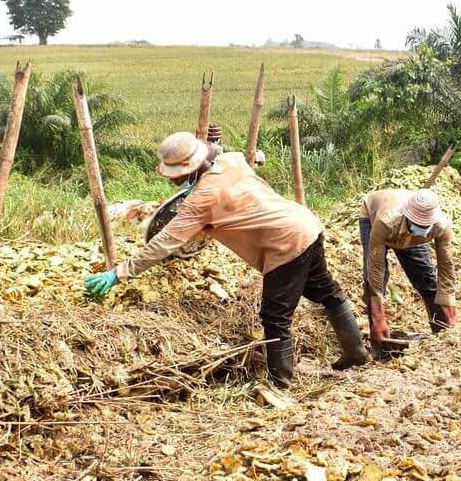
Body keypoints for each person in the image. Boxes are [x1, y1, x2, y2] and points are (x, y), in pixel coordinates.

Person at [85, 132, 367, 386]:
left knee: (274, 315)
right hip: (306, 224)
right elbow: (213, 150)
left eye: (172, 173)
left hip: (285, 243)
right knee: (325, 290)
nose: (170, 178)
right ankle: (356, 352)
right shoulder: (231, 161)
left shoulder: (201, 201)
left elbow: (163, 243)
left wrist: (118, 273)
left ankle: (280, 383)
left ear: (187, 167)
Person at [359, 187, 457, 353]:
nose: (421, 227)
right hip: (374, 216)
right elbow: (375, 268)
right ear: (408, 216)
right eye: (417, 224)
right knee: (375, 281)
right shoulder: (386, 221)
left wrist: (449, 305)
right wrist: (378, 316)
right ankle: (379, 342)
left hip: (405, 229)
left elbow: (446, 266)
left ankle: (442, 333)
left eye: (424, 225)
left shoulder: (441, 226)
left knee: (426, 277)